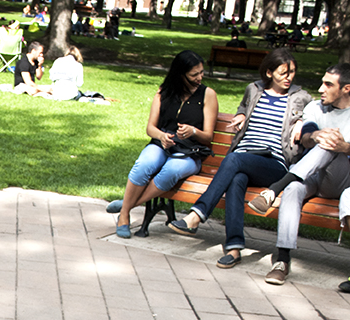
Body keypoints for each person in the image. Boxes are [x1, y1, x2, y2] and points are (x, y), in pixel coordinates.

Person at [164, 49, 311, 269]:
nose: (289, 77)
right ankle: (234, 248)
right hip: (246, 157)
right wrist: (242, 113)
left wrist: (304, 122)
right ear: (269, 73)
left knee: (234, 160)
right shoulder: (253, 89)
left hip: (274, 163)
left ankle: (198, 214)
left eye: (292, 72)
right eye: (283, 72)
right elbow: (244, 106)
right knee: (236, 179)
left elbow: (315, 114)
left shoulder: (301, 97)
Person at [245, 64, 350, 286]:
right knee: (294, 188)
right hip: (314, 175)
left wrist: (345, 147)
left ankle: (274, 189)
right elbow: (306, 138)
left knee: (331, 143)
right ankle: (282, 260)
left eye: (328, 84)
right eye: (322, 82)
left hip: (345, 179)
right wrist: (317, 135)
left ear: (346, 89)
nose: (321, 88)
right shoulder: (315, 107)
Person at [111, 50, 219, 238]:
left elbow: (208, 136)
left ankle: (126, 207)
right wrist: (161, 136)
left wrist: (193, 131)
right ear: (180, 74)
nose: (199, 78)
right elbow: (150, 128)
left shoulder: (208, 95)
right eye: (194, 74)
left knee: (172, 169)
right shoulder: (164, 92)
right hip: (163, 144)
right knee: (145, 163)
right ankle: (125, 215)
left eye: (201, 72)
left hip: (189, 152)